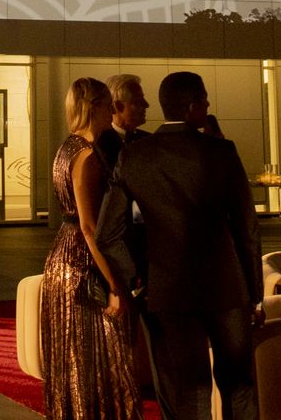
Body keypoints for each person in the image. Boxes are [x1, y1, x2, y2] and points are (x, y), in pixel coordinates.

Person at [99, 71, 261, 420]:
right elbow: (247, 226)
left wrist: (135, 280)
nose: (208, 105)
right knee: (239, 385)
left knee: (187, 390)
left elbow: (106, 234)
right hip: (227, 287)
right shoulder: (221, 151)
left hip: (167, 288)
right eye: (204, 99)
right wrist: (255, 290)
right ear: (192, 107)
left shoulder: (136, 156)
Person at [39, 77, 142, 420]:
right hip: (82, 265)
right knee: (102, 359)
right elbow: (90, 226)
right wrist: (116, 285)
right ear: (95, 107)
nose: (111, 112)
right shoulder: (86, 155)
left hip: (63, 257)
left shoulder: (66, 147)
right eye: (107, 105)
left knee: (76, 359)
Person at [95, 74, 149, 171]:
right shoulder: (98, 146)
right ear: (118, 106)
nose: (146, 105)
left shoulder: (149, 140)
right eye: (138, 101)